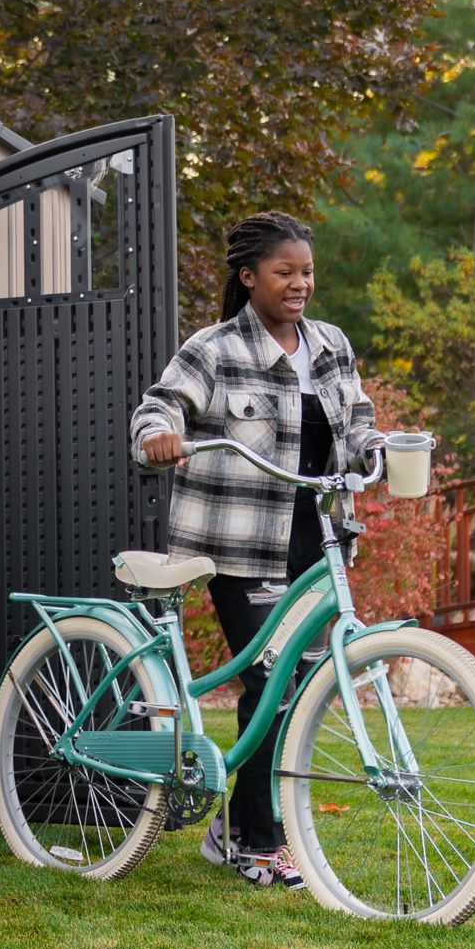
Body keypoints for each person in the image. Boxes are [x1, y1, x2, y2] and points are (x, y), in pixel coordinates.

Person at [130, 211, 385, 889]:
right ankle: (256, 841)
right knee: (273, 684)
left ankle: (233, 828)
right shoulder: (215, 349)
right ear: (248, 277)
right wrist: (159, 435)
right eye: (284, 272)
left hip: (318, 539)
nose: (300, 284)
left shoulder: (329, 345)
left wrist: (378, 450)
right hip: (240, 546)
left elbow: (358, 420)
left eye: (307, 272)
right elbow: (160, 406)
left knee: (298, 690)